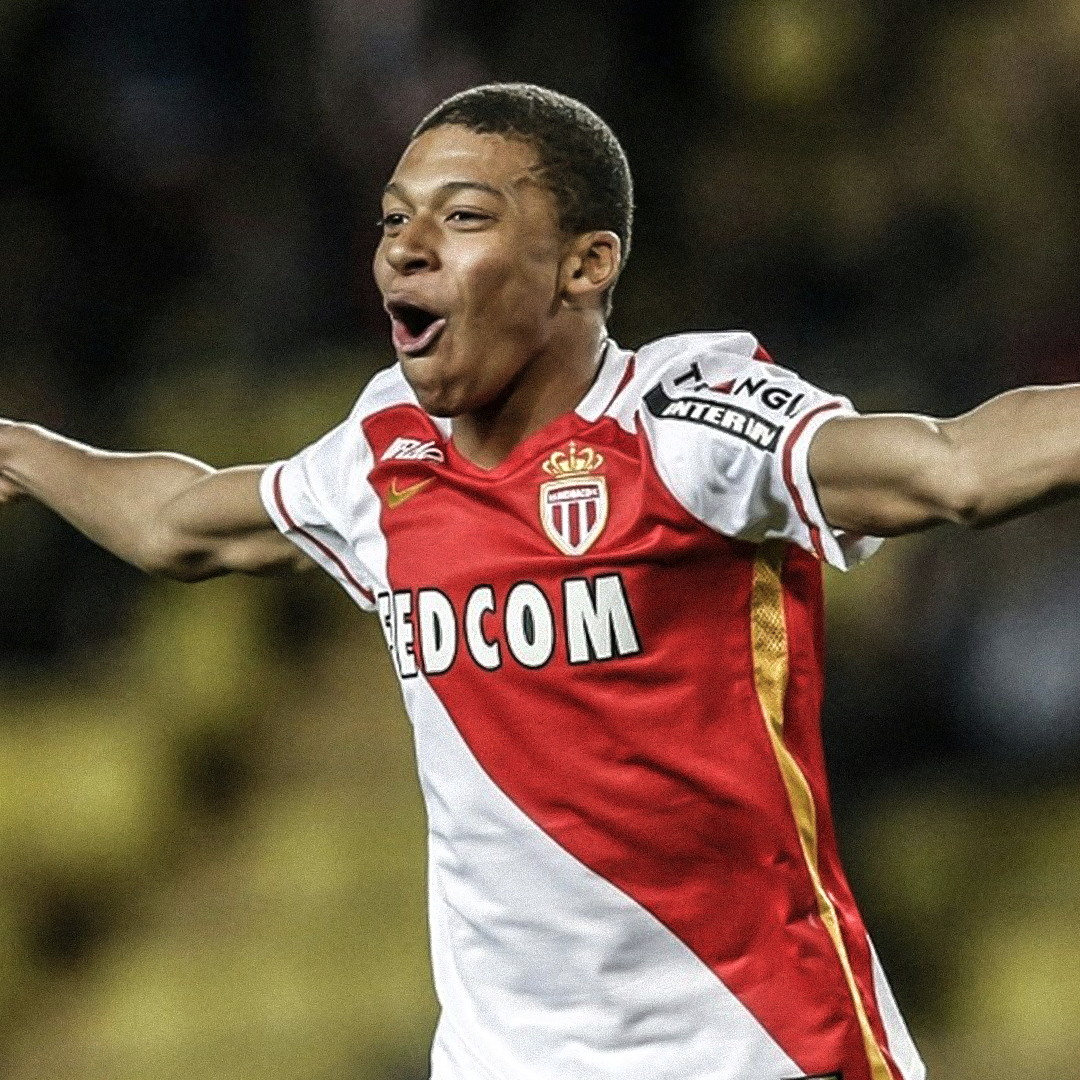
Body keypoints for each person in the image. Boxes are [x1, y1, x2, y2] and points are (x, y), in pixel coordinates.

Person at [1, 82, 1077, 1080]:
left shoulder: (681, 424)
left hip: (756, 1049)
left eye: (463, 217)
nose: (405, 249)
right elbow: (179, 524)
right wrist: (22, 453)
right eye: (393, 219)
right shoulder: (381, 455)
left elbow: (956, 468)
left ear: (585, 264)